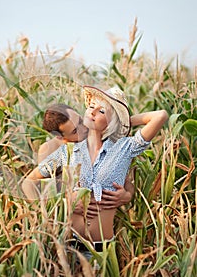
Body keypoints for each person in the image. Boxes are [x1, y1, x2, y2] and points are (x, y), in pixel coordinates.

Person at [22, 85, 168, 250]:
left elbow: (160, 115)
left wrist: (122, 121)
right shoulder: (67, 151)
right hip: (68, 246)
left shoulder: (124, 148)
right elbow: (29, 181)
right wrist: (60, 204)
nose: (92, 112)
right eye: (91, 107)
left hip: (102, 248)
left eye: (102, 111)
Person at [37, 103, 135, 211]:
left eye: (80, 121)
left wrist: (127, 196)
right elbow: (41, 189)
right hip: (68, 222)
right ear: (60, 137)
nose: (83, 129)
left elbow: (126, 181)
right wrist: (65, 203)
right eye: (75, 131)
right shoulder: (50, 150)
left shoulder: (99, 136)